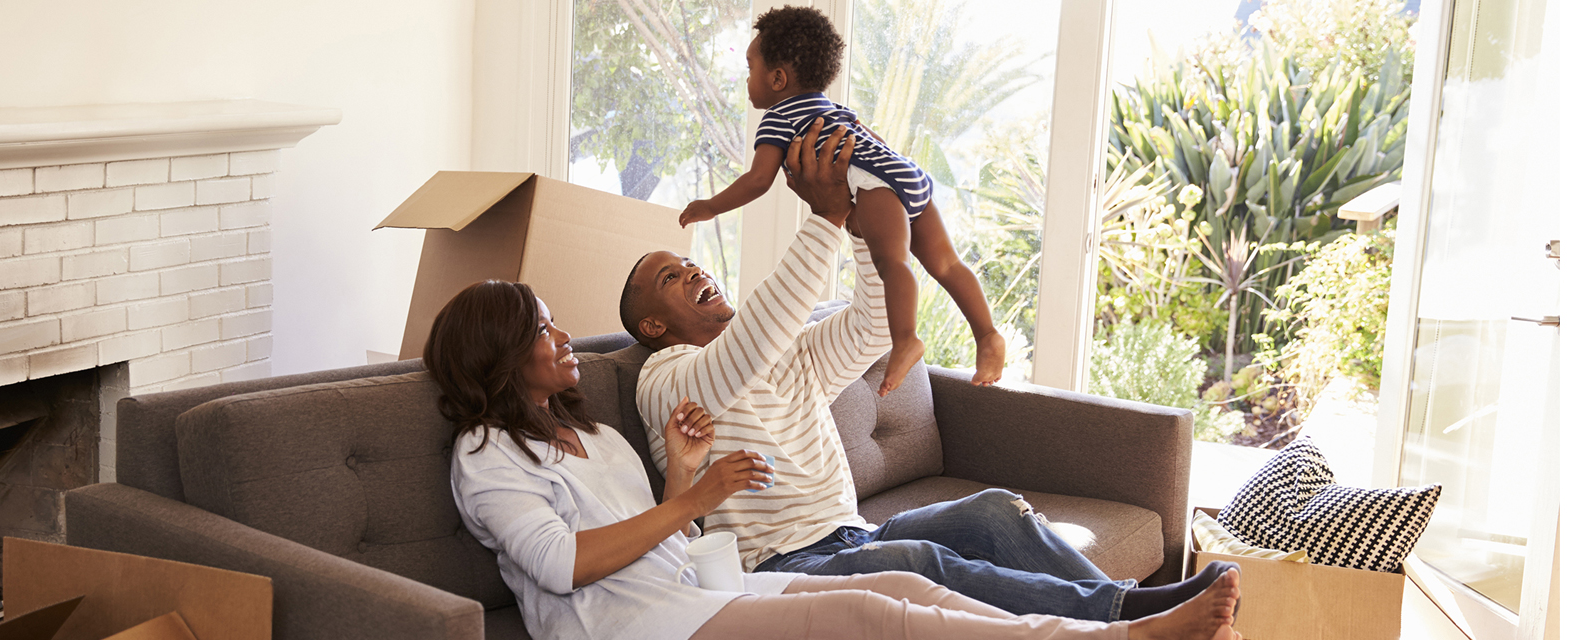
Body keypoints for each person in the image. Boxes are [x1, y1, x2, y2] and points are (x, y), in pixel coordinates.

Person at [625, 109, 1241, 623]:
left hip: (853, 533)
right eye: (670, 277)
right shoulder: (664, 380)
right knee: (919, 563)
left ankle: (1139, 611)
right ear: (652, 325)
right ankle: (1129, 617)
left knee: (994, 510)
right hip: (781, 566)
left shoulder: (788, 349)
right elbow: (741, 356)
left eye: (691, 261)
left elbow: (873, 327)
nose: (694, 270)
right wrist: (824, 216)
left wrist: (861, 223)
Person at [431, 278, 1242, 640]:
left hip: (696, 588)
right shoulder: (491, 451)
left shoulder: (597, 437)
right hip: (628, 626)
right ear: (499, 350)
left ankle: (1121, 614)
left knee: (908, 584)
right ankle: (1125, 636)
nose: (562, 335)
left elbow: (668, 541)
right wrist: (692, 497)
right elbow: (562, 566)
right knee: (872, 613)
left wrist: (681, 472)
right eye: (541, 327)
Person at [678, 5, 1005, 394]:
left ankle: (906, 339)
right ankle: (987, 335)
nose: (747, 79)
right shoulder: (833, 109)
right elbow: (872, 140)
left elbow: (759, 180)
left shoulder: (779, 118)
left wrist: (710, 206)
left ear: (778, 78)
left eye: (750, 69)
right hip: (905, 171)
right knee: (948, 264)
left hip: (874, 183)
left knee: (892, 262)